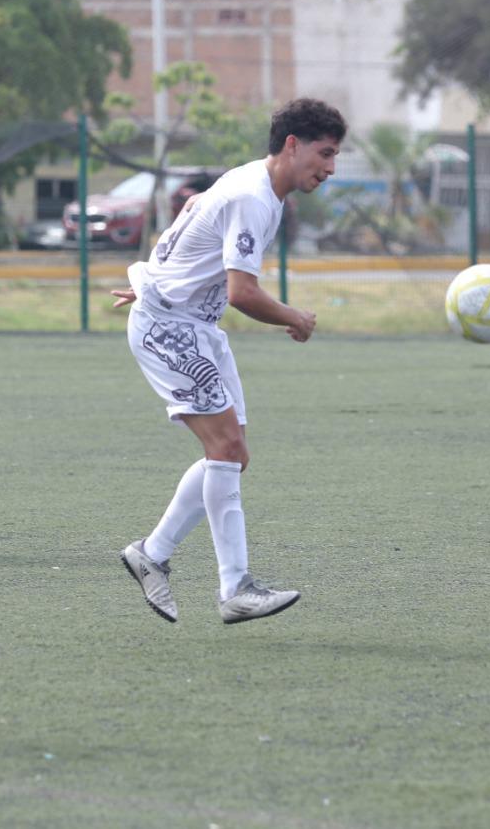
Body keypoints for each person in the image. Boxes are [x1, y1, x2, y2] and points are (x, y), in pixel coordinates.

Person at [111, 97, 346, 624]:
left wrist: (153, 283)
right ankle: (235, 587)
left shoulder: (254, 185)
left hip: (189, 323)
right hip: (172, 329)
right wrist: (294, 317)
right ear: (292, 145)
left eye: (335, 158)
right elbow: (242, 293)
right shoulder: (254, 198)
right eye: (324, 154)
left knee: (233, 456)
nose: (329, 169)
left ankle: (152, 554)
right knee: (225, 447)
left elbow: (190, 222)